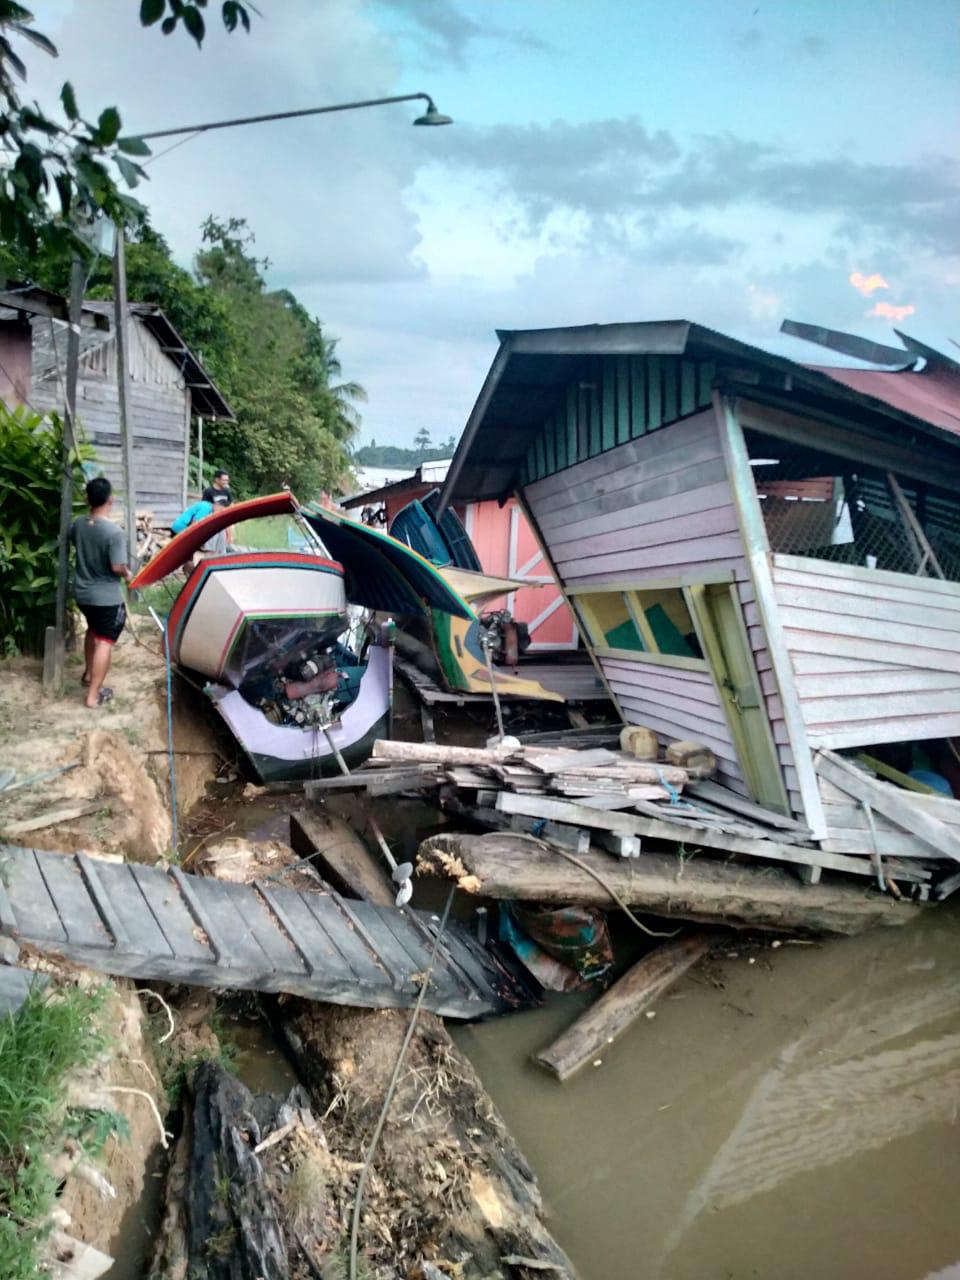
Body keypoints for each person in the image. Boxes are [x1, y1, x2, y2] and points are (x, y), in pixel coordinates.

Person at [70, 476, 129, 709]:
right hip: (106, 598)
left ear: (87, 499)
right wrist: (128, 574)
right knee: (105, 641)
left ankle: (87, 675)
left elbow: (76, 542)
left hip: (82, 594)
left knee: (92, 631)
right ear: (110, 500)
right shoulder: (114, 532)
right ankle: (93, 696)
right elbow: (117, 566)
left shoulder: (78, 524)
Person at [200, 468, 233, 553]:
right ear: (217, 479)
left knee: (222, 549)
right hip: (212, 524)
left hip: (223, 523)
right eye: (224, 480)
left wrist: (230, 532)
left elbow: (231, 506)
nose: (226, 482)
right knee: (210, 549)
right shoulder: (208, 491)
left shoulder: (227, 491)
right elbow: (204, 508)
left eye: (227, 480)